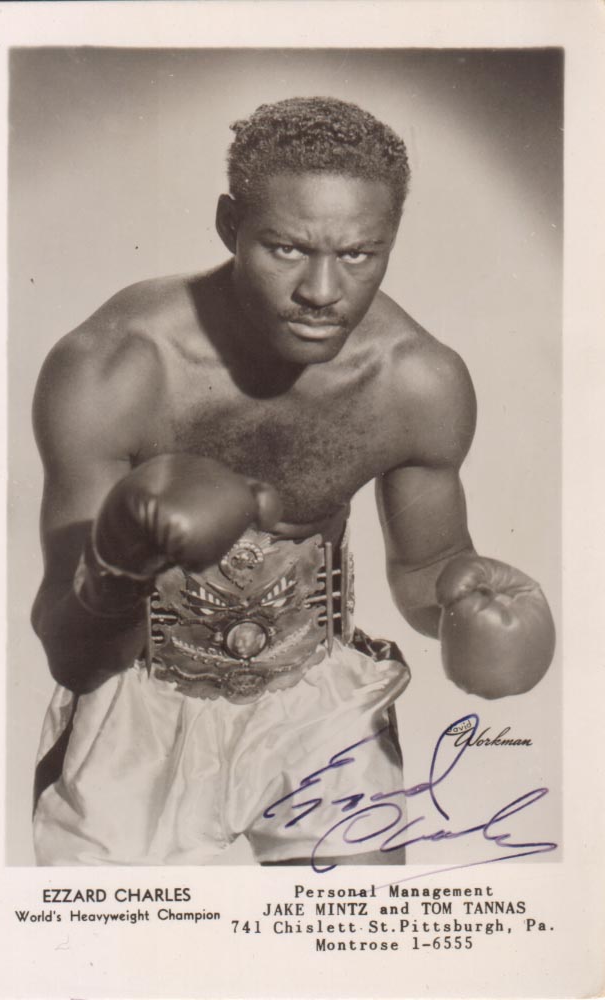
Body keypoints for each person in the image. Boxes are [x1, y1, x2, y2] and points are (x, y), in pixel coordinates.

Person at [31, 96, 555, 867]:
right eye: (285, 248)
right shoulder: (115, 367)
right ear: (228, 227)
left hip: (317, 699)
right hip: (135, 704)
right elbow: (69, 652)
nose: (321, 291)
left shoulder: (417, 381)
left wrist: (458, 599)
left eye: (358, 255)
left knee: (363, 967)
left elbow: (422, 568)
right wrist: (119, 565)